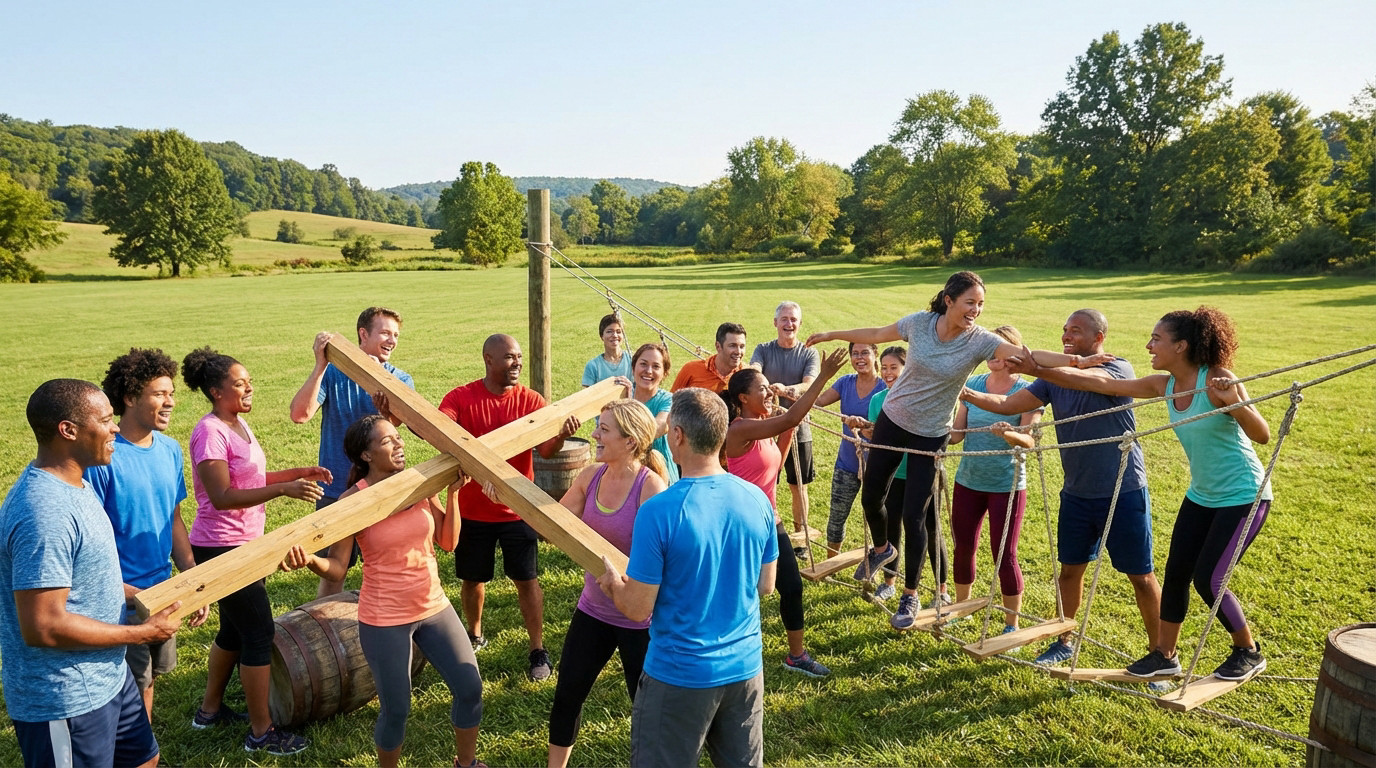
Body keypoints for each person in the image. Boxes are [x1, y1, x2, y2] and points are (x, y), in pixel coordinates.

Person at [805, 271, 1110, 630]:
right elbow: (876, 334)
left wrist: (1076, 361)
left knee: (915, 515)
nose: (976, 310)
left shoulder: (979, 340)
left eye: (980, 305)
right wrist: (832, 334)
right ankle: (883, 548)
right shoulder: (920, 324)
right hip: (894, 417)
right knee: (872, 495)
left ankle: (910, 594)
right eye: (970, 302)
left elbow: (1027, 354)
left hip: (931, 432)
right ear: (949, 300)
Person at [1005, 307, 1273, 682]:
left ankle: (1248, 651)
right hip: (1202, 495)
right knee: (1175, 575)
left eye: (1156, 339)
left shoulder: (1218, 378)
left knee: (1208, 580)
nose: (1148, 345)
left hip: (1244, 494)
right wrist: (1036, 369)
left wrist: (1233, 402)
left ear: (1181, 346)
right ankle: (1164, 656)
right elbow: (1101, 386)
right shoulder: (1163, 385)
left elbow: (1262, 435)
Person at [279, 415, 483, 768]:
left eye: (397, 437)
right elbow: (338, 568)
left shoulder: (419, 483)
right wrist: (310, 560)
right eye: (388, 441)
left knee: (470, 688)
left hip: (433, 606)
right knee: (397, 709)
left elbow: (448, 542)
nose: (399, 444)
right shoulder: (352, 502)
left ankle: (466, 764)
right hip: (384, 618)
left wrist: (453, 495)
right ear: (366, 455)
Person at [959, 309, 1161, 666]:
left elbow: (1087, 381)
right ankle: (1063, 641)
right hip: (1077, 492)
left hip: (1122, 489)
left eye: (1076, 331)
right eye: (1065, 330)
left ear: (1099, 338)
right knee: (1069, 571)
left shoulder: (1116, 367)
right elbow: (1008, 404)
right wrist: (962, 392)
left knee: (1141, 577)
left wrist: (1037, 368)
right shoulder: (1052, 380)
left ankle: (1161, 654)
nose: (1067, 336)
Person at [1, 379, 182, 768]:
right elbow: (43, 626)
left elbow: (88, 579)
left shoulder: (78, 485)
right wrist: (142, 634)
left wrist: (141, 597)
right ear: (68, 430)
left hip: (109, 676)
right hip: (66, 697)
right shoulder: (43, 512)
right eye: (104, 420)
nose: (115, 428)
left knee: (145, 760)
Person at [597, 388, 778, 768]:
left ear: (677, 436)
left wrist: (613, 585)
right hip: (744, 670)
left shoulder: (659, 511)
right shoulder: (757, 499)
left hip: (678, 675)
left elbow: (638, 608)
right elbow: (766, 586)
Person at [183, 347, 331, 756]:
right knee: (258, 633)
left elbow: (250, 477)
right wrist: (284, 489)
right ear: (216, 391)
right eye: (240, 384)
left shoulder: (238, 423)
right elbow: (222, 495)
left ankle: (209, 711)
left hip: (246, 542)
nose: (249, 388)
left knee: (234, 630)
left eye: (249, 382)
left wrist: (298, 473)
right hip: (221, 547)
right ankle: (261, 733)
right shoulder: (210, 431)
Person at [438, 333, 580, 681]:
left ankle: (537, 648)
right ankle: (474, 635)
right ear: (488, 359)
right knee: (472, 579)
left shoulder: (531, 400)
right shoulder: (461, 397)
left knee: (527, 579)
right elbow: (438, 428)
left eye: (518, 356)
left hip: (517, 508)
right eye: (509, 357)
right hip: (473, 510)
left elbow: (546, 451)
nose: (517, 363)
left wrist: (561, 435)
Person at [84, 348, 209, 721]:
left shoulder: (169, 450)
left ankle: (142, 746)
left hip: (163, 591)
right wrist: (122, 591)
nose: (170, 402)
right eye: (159, 394)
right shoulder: (103, 459)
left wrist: (192, 578)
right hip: (121, 599)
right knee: (131, 685)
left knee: (149, 678)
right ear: (129, 397)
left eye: (172, 393)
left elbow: (174, 518)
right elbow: (90, 538)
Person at [546, 399, 669, 768]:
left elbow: (665, 562)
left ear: (630, 441)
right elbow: (554, 526)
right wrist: (504, 496)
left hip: (639, 619)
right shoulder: (590, 476)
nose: (594, 435)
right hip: (594, 609)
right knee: (567, 695)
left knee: (645, 708)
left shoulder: (651, 488)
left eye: (604, 429)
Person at [723, 347, 847, 679]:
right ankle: (728, 649)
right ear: (743, 398)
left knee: (791, 587)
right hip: (743, 526)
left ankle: (796, 656)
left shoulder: (761, 427)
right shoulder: (739, 430)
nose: (770, 392)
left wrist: (790, 427)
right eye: (763, 388)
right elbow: (789, 419)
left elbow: (775, 462)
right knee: (741, 593)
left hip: (770, 521)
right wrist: (823, 376)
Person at [289, 306, 415, 598]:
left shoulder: (400, 379)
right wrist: (320, 365)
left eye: (396, 335)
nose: (392, 340)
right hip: (336, 490)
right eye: (385, 333)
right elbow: (299, 414)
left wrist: (386, 409)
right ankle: (326, 621)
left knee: (391, 563)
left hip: (382, 491)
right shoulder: (333, 374)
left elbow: (398, 427)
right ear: (363, 334)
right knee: (336, 570)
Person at [948, 325, 1044, 634]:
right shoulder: (972, 385)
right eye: (990, 351)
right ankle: (962, 611)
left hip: (1006, 486)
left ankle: (1010, 625)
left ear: (1013, 355)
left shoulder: (1028, 391)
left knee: (1004, 554)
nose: (992, 356)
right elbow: (956, 435)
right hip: (968, 481)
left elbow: (1030, 441)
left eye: (999, 351)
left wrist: (1009, 434)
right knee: (963, 547)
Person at [862, 346, 949, 603]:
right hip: (894, 475)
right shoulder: (878, 400)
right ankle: (889, 583)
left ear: (908, 369)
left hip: (923, 475)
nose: (888, 373)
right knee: (892, 527)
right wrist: (866, 431)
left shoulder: (926, 398)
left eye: (894, 368)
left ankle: (941, 590)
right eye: (884, 368)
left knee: (928, 529)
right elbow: (877, 437)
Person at [749, 302, 822, 547]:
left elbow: (809, 384)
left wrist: (786, 389)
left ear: (800, 324)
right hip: (766, 429)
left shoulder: (808, 353)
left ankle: (800, 540)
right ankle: (765, 534)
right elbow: (754, 370)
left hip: (799, 428)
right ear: (775, 323)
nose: (789, 324)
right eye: (784, 319)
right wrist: (765, 384)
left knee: (798, 485)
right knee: (764, 483)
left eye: (793, 320)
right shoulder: (763, 349)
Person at [815, 342, 886, 558]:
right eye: (855, 353)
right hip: (846, 464)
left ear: (875, 354)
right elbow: (817, 402)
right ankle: (831, 562)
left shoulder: (886, 388)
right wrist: (823, 377)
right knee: (836, 517)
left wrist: (866, 425)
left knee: (878, 521)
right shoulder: (845, 382)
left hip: (878, 469)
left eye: (865, 352)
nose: (859, 358)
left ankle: (879, 565)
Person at [626, 342, 679, 484]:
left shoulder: (668, 400)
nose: (649, 371)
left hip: (661, 474)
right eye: (643, 364)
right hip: (625, 472)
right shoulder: (623, 395)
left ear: (664, 373)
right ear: (633, 367)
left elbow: (660, 426)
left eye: (656, 366)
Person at [671, 322, 748, 393]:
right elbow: (671, 400)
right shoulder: (691, 369)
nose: (738, 352)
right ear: (718, 346)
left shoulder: (748, 375)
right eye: (732, 346)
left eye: (742, 346)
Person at [581, 313, 633, 386]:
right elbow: (588, 392)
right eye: (609, 331)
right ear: (602, 336)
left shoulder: (633, 360)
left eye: (618, 331)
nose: (615, 335)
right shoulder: (593, 366)